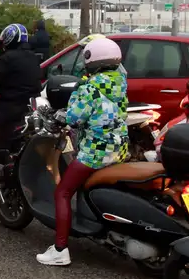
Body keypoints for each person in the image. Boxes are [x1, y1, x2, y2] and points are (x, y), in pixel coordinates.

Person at [36, 38, 129, 266]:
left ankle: (60, 249)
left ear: (92, 61)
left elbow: (74, 117)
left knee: (63, 193)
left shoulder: (89, 88)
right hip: (121, 148)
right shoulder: (120, 81)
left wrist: (59, 115)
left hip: (96, 152)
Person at [0, 23, 43, 182]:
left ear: (9, 39)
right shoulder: (34, 57)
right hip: (30, 106)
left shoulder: (6, 59)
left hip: (9, 106)